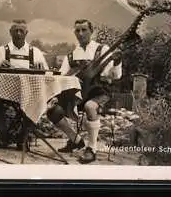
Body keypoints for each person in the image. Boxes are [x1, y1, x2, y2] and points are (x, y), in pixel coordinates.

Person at [46, 19, 122, 164]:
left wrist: (117, 63)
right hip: (78, 94)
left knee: (90, 106)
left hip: (99, 92)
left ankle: (91, 149)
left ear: (91, 31)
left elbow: (115, 76)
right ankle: (76, 140)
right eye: (77, 30)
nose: (80, 33)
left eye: (84, 30)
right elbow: (62, 77)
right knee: (52, 111)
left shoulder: (102, 50)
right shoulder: (72, 54)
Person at [0, 19, 49, 149]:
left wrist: (40, 69)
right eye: (15, 30)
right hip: (5, 93)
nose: (18, 34)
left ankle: (23, 137)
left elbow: (47, 75)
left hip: (28, 93)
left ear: (26, 33)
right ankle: (3, 131)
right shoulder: (2, 50)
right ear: (10, 32)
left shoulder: (35, 52)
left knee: (38, 101)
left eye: (21, 31)